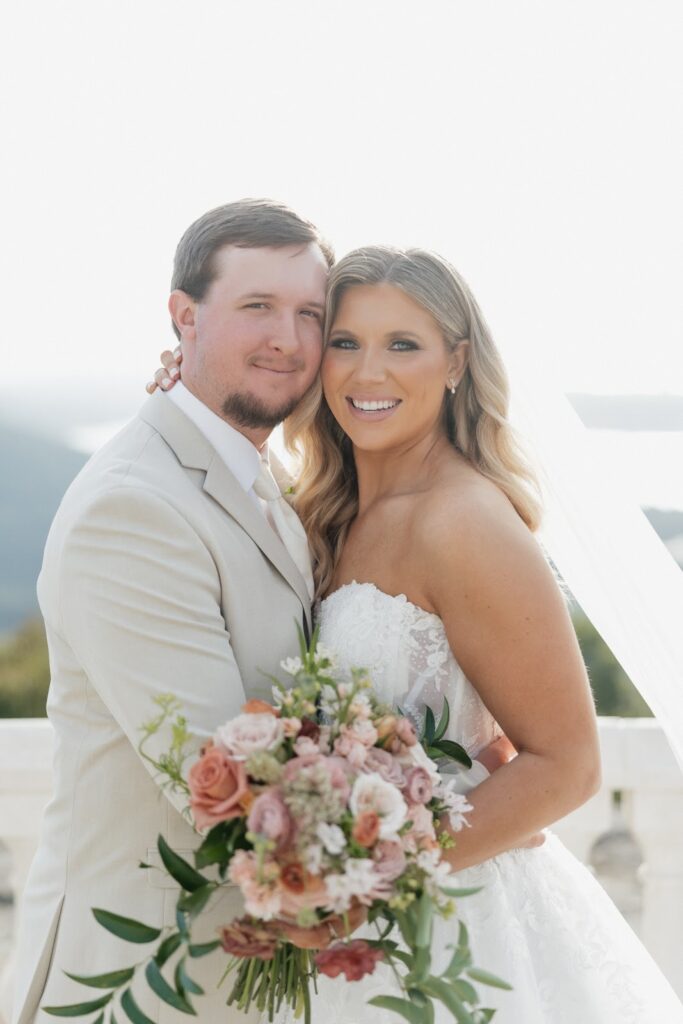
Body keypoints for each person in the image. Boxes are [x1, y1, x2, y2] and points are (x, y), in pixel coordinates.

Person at [11, 201, 513, 1024]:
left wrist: (461, 769)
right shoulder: (133, 509)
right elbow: (230, 787)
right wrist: (447, 814)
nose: (288, 339)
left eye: (311, 316)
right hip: (154, 982)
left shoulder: (267, 475)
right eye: (256, 308)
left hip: (273, 973)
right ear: (184, 317)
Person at [154, 243, 683, 1022]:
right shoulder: (322, 512)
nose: (368, 374)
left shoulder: (465, 523)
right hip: (339, 935)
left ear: (456, 362)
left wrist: (363, 884)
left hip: (449, 931)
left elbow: (566, 764)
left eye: (402, 344)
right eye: (345, 342)